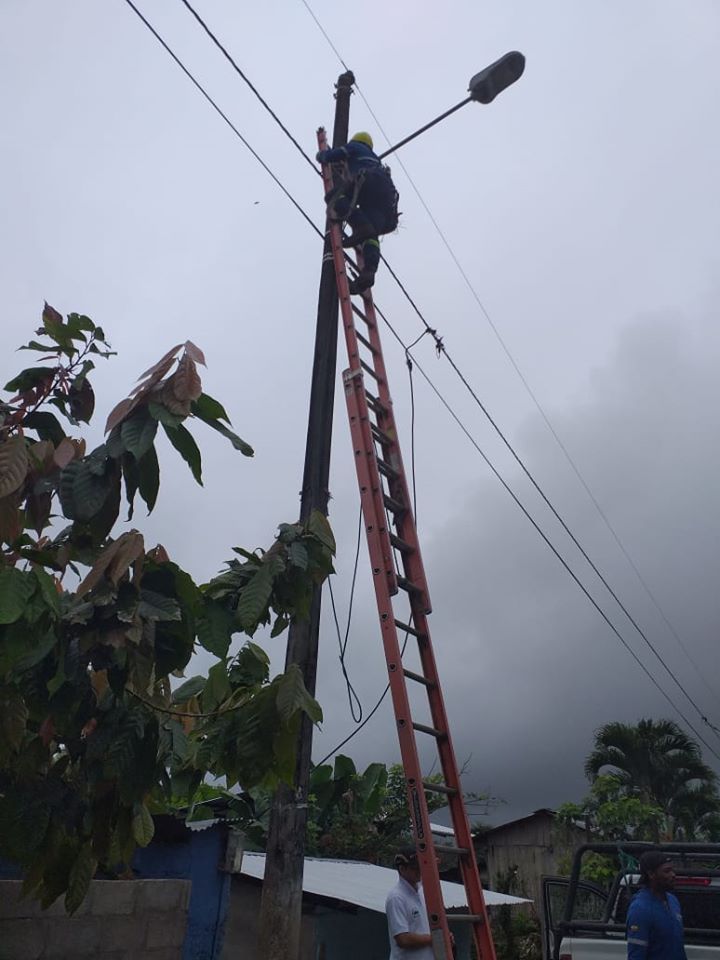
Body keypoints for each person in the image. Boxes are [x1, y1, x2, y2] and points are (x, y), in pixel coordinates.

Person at [316, 131, 399, 295]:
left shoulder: (355, 147)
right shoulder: (375, 159)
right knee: (370, 236)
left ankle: (361, 226)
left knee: (334, 198)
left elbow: (338, 154)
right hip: (385, 197)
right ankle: (369, 271)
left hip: (368, 181)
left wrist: (323, 155)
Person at [626, 851, 687, 960]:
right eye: (667, 871)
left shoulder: (673, 900)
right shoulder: (640, 909)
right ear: (651, 874)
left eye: (672, 870)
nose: (673, 875)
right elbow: (636, 955)